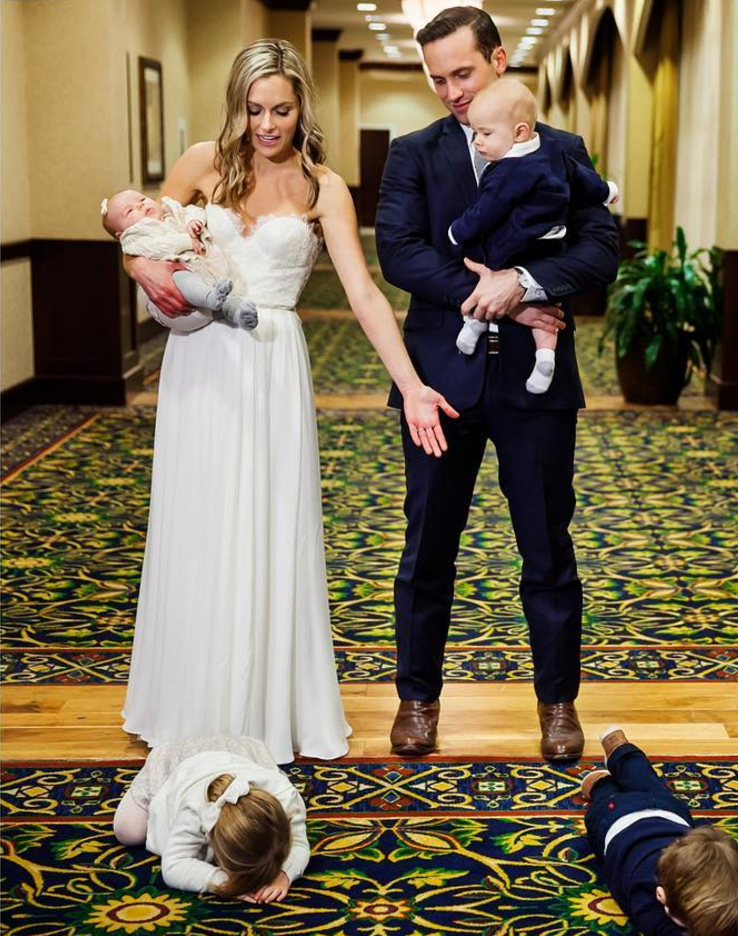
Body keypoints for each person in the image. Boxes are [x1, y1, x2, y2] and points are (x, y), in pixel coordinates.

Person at [121, 39, 458, 763]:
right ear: (236, 107)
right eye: (253, 110)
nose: (267, 125)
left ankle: (266, 707)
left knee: (268, 525)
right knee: (199, 522)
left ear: (302, 106)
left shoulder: (323, 188)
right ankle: (190, 701)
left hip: (273, 362)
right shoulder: (201, 163)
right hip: (198, 365)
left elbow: (364, 294)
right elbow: (137, 228)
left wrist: (411, 385)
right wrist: (140, 264)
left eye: (280, 110)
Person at [375, 7, 619, 760]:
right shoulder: (413, 153)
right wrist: (490, 294)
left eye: (464, 73)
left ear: (499, 60)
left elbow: (600, 249)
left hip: (535, 390)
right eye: (437, 78)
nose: (451, 91)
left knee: (546, 547)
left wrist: (527, 282)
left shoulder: (561, 148)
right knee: (427, 547)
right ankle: (417, 699)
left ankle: (558, 705)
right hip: (438, 382)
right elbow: (400, 253)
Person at [448, 78, 619, 394]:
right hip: (446, 369)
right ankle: (544, 356)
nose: (477, 142)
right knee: (545, 310)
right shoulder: (553, 153)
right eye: (438, 79)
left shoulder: (516, 168)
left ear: (519, 132)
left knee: (531, 298)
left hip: (514, 249)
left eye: (485, 134)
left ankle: (476, 324)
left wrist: (457, 232)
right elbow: (585, 181)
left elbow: (483, 213)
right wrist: (607, 191)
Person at [583, 728, 738, 936]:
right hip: (614, 818)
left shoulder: (733, 893)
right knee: (613, 792)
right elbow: (665, 935)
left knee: (645, 780)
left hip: (669, 810)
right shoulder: (644, 889)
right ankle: (607, 773)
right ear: (662, 897)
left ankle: (617, 761)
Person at [113, 735, 307, 902]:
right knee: (128, 832)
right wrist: (228, 883)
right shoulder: (196, 808)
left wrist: (284, 873)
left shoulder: (285, 797)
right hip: (178, 761)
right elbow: (174, 865)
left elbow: (299, 843)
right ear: (216, 844)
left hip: (244, 754)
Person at [101, 189, 258, 330]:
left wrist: (193, 221)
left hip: (208, 266)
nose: (140, 205)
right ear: (121, 234)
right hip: (183, 278)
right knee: (182, 278)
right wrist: (187, 241)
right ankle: (210, 298)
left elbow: (193, 210)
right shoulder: (135, 238)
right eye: (129, 210)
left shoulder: (171, 211)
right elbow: (158, 247)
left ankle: (233, 309)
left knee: (223, 269)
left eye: (141, 199)